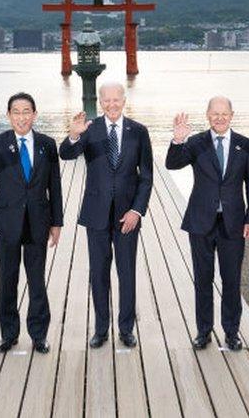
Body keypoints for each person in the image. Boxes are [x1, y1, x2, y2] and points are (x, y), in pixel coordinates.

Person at [59, 81, 153, 349]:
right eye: (106, 100)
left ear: (124, 100)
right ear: (100, 102)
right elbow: (66, 154)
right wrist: (74, 135)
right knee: (98, 273)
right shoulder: (90, 129)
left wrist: (137, 210)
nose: (111, 105)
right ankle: (100, 329)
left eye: (116, 100)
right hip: (96, 215)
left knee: (127, 272)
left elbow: (146, 177)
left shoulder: (139, 131)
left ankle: (126, 329)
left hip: (127, 216)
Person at [0, 92, 63, 354]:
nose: (22, 117)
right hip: (7, 222)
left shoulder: (47, 144)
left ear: (35, 114)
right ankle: (9, 335)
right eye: (16, 112)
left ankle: (38, 335)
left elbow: (54, 186)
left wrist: (56, 223)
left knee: (36, 280)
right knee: (7, 279)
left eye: (26, 111)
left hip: (38, 221)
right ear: (9, 115)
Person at [166, 96, 249, 351]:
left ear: (232, 115)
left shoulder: (244, 145)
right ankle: (203, 332)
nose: (219, 118)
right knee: (203, 280)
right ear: (207, 115)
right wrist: (177, 140)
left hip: (233, 223)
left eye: (224, 113)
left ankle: (231, 333)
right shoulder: (196, 143)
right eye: (214, 113)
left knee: (232, 280)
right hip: (201, 221)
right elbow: (172, 164)